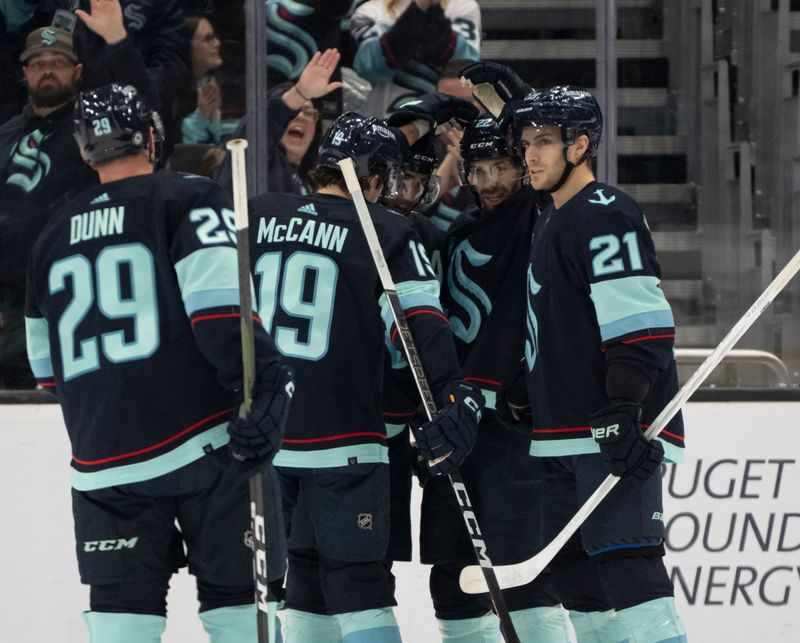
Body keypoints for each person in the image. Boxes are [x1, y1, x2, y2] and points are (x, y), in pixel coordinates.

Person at [24, 83, 293, 643]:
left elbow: (47, 370)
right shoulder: (187, 198)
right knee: (239, 605)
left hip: (103, 462)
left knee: (122, 615)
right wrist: (269, 384)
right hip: (206, 446)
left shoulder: (50, 235)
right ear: (151, 135)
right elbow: (222, 317)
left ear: (83, 149)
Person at [464, 67, 688, 641]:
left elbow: (640, 321)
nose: (529, 154)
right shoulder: (554, 219)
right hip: (565, 430)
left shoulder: (604, 209)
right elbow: (561, 324)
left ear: (580, 144)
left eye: (543, 140)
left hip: (612, 427)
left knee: (628, 564)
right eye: (526, 140)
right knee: (577, 576)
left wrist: (623, 406)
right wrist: (528, 382)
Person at [247, 100, 482, 643]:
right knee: (359, 585)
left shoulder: (256, 216)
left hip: (268, 438)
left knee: (296, 582)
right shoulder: (386, 232)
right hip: (346, 440)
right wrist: (452, 395)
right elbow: (420, 327)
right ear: (374, 174)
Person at [0, 24, 99, 389]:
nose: (46, 70)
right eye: (37, 63)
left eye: (57, 62)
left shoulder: (92, 130)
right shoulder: (7, 133)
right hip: (6, 295)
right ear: (25, 73)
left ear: (77, 71)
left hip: (62, 291)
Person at [215, 48, 342, 195]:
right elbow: (257, 133)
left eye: (308, 113)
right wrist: (300, 93)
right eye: (294, 111)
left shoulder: (316, 183)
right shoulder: (255, 165)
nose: (300, 117)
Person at [350, 0, 481, 117]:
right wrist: (413, 17)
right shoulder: (371, 11)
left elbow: (465, 69)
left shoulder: (462, 6)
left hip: (445, 124)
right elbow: (369, 69)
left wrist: (440, 32)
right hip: (383, 118)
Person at [178, 15, 235, 144]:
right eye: (208, 39)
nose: (217, 43)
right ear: (187, 47)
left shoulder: (215, 86)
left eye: (215, 37)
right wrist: (201, 118)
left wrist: (213, 118)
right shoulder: (168, 91)